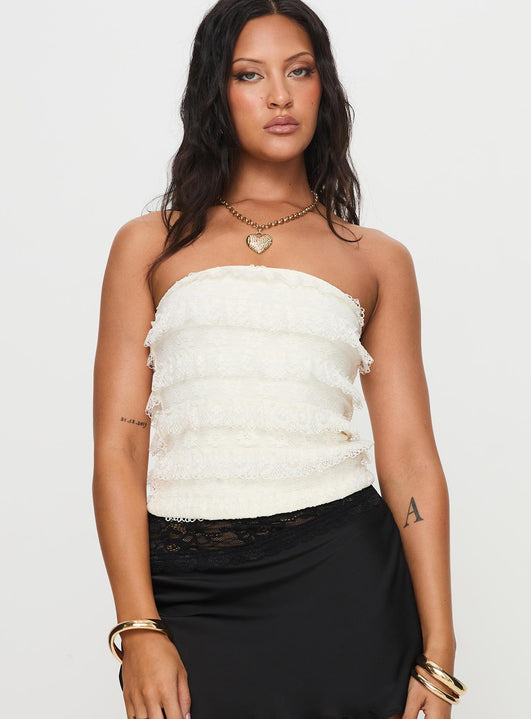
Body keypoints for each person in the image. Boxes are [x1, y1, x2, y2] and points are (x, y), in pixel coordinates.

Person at [93, 1, 467, 718]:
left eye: (298, 71)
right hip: (189, 588)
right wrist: (138, 626)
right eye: (249, 74)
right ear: (215, 91)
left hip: (343, 581)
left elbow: (410, 459)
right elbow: (119, 446)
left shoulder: (377, 258)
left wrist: (440, 649)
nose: (278, 96)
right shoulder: (150, 244)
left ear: (323, 86)